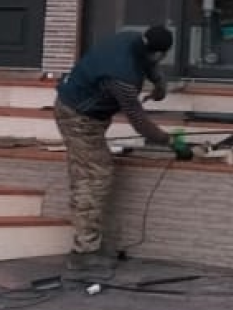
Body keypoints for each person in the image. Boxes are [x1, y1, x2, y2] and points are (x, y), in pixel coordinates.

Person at [54, 24, 193, 271]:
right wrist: (170, 141)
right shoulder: (123, 77)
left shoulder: (131, 39)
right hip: (78, 117)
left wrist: (159, 84)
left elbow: (148, 63)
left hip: (83, 109)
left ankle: (86, 243)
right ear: (160, 53)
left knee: (86, 174)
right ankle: (84, 252)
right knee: (95, 177)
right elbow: (140, 123)